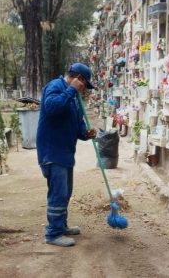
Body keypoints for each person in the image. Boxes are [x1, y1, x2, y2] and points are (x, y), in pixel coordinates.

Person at [36, 63, 97, 247]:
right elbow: (51, 107)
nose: (85, 89)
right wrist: (71, 90)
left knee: (65, 192)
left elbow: (76, 124)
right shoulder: (55, 87)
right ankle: (53, 234)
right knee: (58, 193)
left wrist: (85, 134)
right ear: (78, 78)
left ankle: (61, 226)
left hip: (66, 152)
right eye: (85, 84)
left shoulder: (75, 97)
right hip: (52, 151)